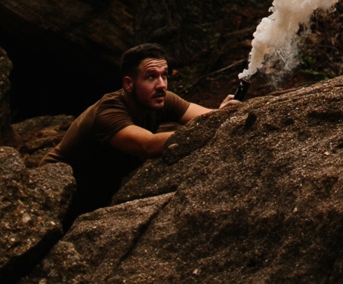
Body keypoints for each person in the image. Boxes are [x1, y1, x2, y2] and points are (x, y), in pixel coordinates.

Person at [53, 43, 233, 212]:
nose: (161, 85)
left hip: (100, 188)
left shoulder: (162, 98)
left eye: (164, 75)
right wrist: (205, 129)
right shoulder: (108, 112)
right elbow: (148, 145)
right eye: (151, 77)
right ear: (128, 84)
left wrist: (225, 113)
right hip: (59, 189)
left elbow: (207, 118)